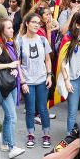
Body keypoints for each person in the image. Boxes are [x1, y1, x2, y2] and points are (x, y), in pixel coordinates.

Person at [0, 18, 25, 159]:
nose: (12, 30)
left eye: (11, 27)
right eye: (8, 28)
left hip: (12, 82)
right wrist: (8, 65)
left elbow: (17, 63)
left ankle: (4, 142)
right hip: (3, 85)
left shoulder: (11, 43)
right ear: (1, 30)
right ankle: (12, 147)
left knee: (9, 116)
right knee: (12, 116)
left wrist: (22, 81)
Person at [17, 11, 53, 149]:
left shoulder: (42, 40)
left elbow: (48, 59)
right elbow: (18, 63)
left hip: (42, 79)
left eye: (38, 23)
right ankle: (30, 134)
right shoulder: (20, 40)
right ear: (27, 23)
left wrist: (49, 75)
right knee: (30, 110)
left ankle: (46, 134)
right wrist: (22, 81)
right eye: (34, 22)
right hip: (28, 81)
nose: (37, 25)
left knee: (43, 109)